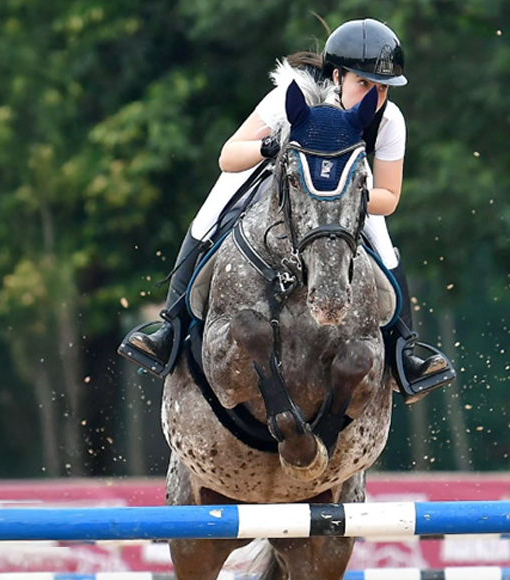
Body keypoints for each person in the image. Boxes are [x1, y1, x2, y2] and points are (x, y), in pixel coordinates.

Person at [120, 18, 455, 401]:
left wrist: (341, 200)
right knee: (209, 215)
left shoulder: (389, 120)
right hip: (271, 177)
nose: (374, 97)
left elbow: (390, 196)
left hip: (346, 199)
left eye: (382, 88)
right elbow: (228, 156)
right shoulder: (290, 98)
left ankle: (403, 355)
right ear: (337, 75)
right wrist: (270, 148)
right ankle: (170, 330)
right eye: (363, 83)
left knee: (382, 240)